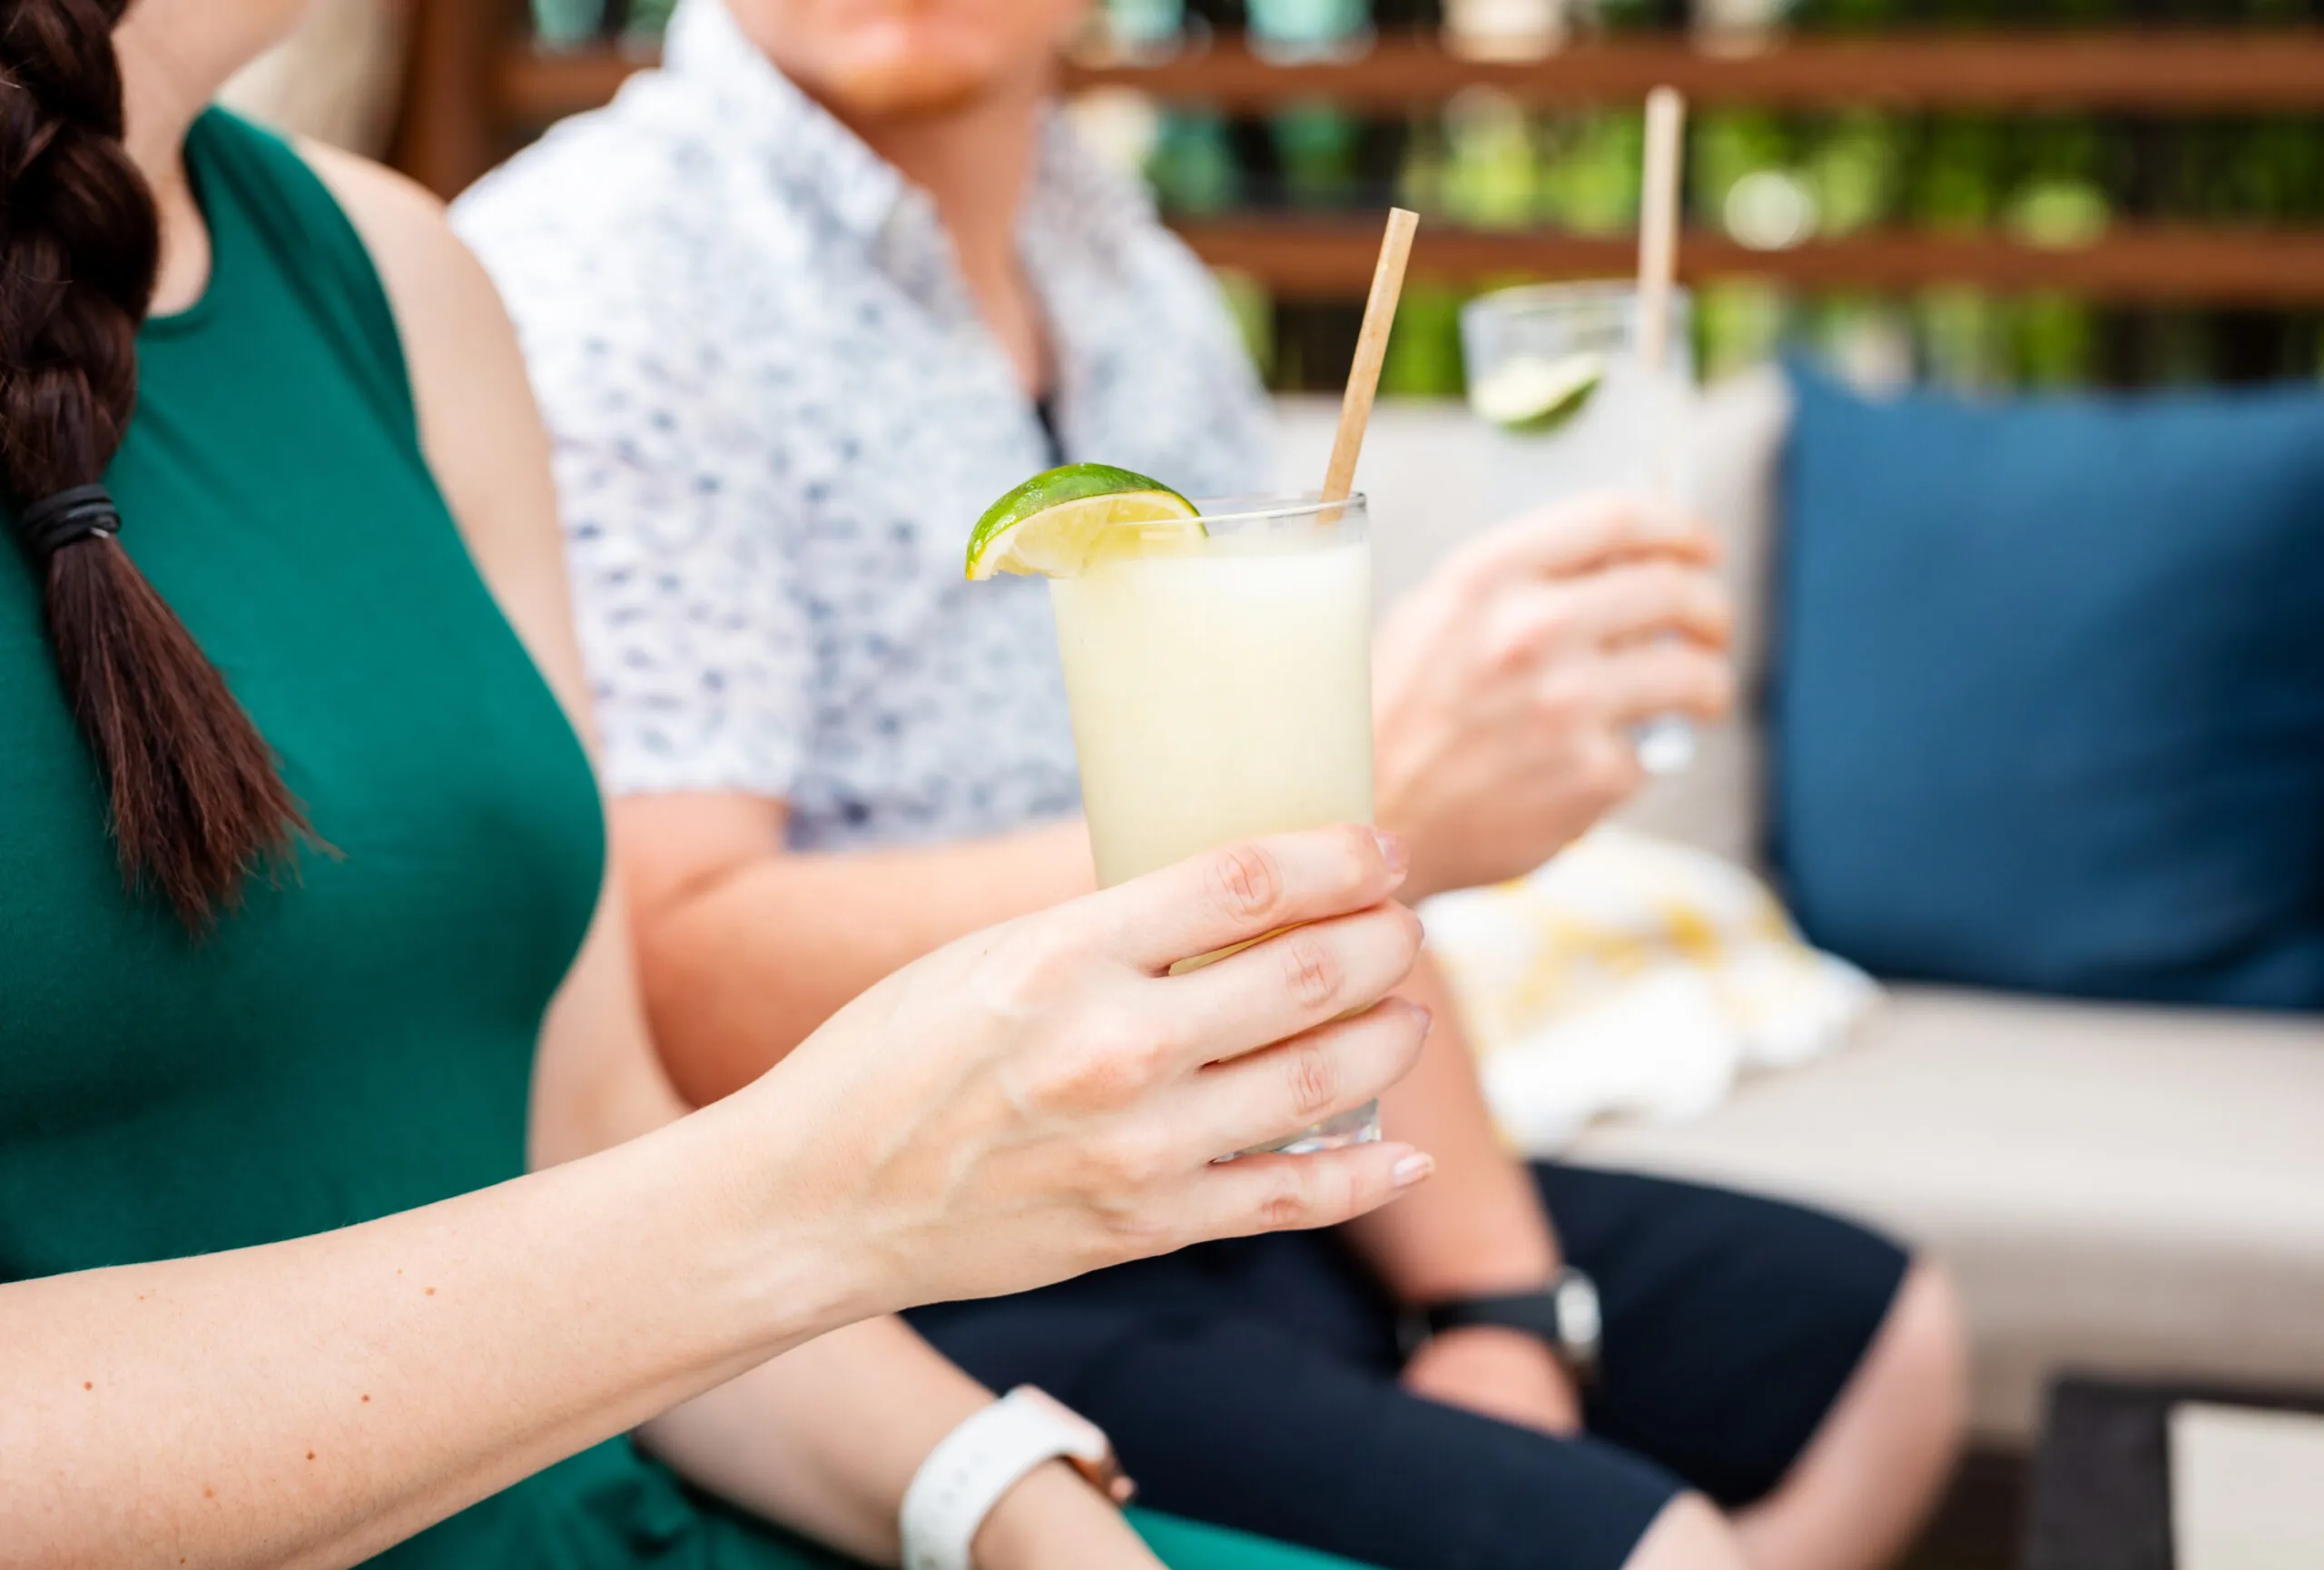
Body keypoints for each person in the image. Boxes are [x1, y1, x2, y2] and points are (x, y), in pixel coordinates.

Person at [453, 3, 1972, 1569]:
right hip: (912, 1259)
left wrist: (1497, 1299)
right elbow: (663, 978)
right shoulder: (594, 277)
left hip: (1229, 1161)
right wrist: (1355, 819)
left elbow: (1334, 862)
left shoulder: (1133, 279)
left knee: (1887, 1348)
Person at [0, 4, 1444, 1567]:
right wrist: (822, 1194)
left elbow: (590, 1131)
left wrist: (1006, 1503)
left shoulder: (398, 275)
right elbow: (720, 1222)